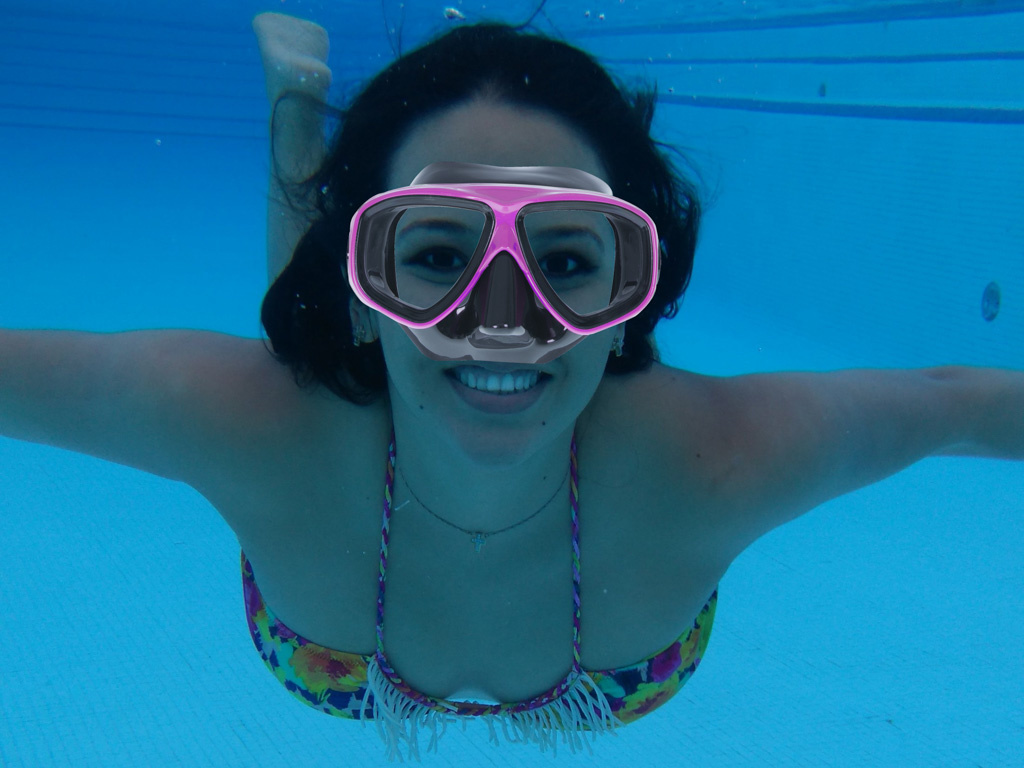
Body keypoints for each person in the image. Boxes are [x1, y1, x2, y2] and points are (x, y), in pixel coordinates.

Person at [1, 10, 1021, 763]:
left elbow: (959, 405)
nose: (504, 320)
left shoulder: (718, 458)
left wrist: (431, 271)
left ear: (629, 294)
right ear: (369, 280)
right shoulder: (247, 423)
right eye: (438, 255)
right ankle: (298, 124)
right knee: (303, 340)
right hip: (324, 374)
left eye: (567, 261)